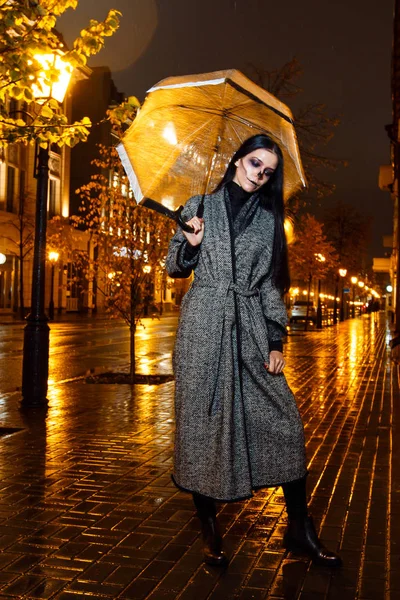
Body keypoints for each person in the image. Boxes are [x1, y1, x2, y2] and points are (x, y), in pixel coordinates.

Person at [166, 134, 341, 568]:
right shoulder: (198, 206)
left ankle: (299, 530)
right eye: (254, 164)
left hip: (249, 329)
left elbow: (268, 285)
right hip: (203, 327)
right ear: (237, 160)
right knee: (202, 428)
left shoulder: (268, 221)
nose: (259, 176)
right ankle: (210, 532)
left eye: (267, 172)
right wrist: (190, 243)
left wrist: (277, 338)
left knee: (284, 422)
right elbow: (172, 266)